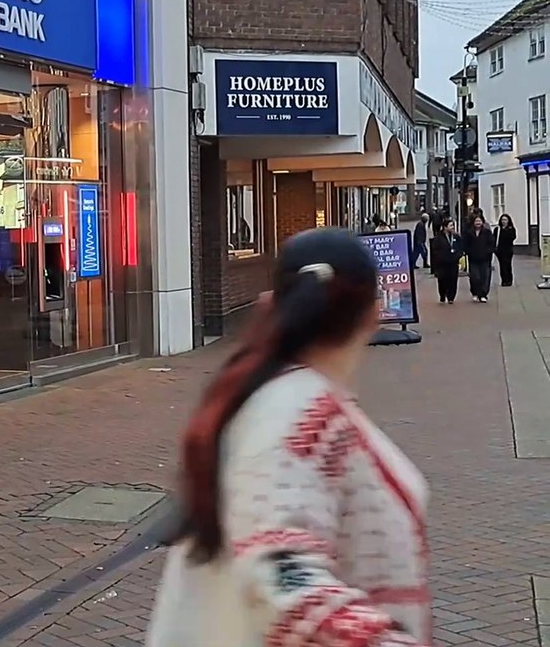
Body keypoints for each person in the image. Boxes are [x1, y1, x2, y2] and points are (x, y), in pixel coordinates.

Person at [146, 228, 430, 647]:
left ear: (271, 306)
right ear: (375, 313)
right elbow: (280, 567)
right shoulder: (298, 410)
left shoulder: (274, 398)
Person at [464, 214, 496, 302]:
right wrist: (468, 252)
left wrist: (488, 252)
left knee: (484, 276)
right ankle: (475, 292)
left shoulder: (487, 232)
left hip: (485, 258)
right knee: (474, 276)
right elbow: (465, 244)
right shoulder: (469, 233)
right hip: (473, 258)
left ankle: (483, 294)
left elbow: (491, 244)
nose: (478, 223)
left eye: (479, 221)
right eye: (476, 221)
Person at [432, 217, 464, 304]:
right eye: (450, 225)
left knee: (453, 280)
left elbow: (461, 247)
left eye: (453, 225)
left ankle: (451, 297)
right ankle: (442, 295)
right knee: (442, 280)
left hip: (453, 262)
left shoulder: (456, 237)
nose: (452, 227)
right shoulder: (438, 237)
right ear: (445, 227)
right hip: (442, 263)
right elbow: (435, 249)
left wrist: (458, 255)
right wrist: (440, 257)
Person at [495, 213, 517, 287]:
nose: (503, 221)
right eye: (502, 220)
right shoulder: (497, 229)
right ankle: (504, 280)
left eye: (505, 220)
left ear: (508, 221)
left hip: (508, 250)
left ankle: (509, 280)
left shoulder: (511, 229)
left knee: (507, 265)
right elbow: (494, 238)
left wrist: (506, 231)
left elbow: (513, 237)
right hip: (499, 250)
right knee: (502, 266)